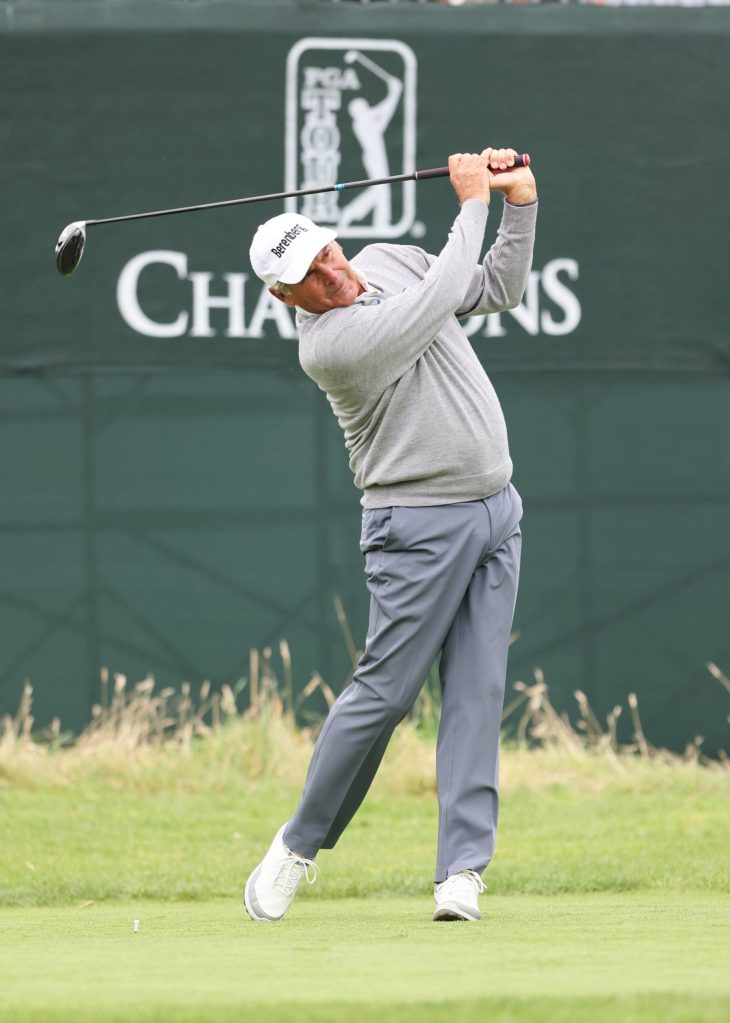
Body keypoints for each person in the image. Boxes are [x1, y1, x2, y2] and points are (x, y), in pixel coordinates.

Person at [244, 148, 537, 922]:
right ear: (284, 296)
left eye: (327, 251)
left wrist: (519, 204)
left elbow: (496, 287)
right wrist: (472, 202)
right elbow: (440, 295)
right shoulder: (330, 346)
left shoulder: (388, 259)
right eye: (308, 274)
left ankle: (462, 872)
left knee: (477, 693)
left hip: (496, 510)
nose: (332, 273)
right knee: (386, 694)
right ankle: (298, 844)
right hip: (417, 525)